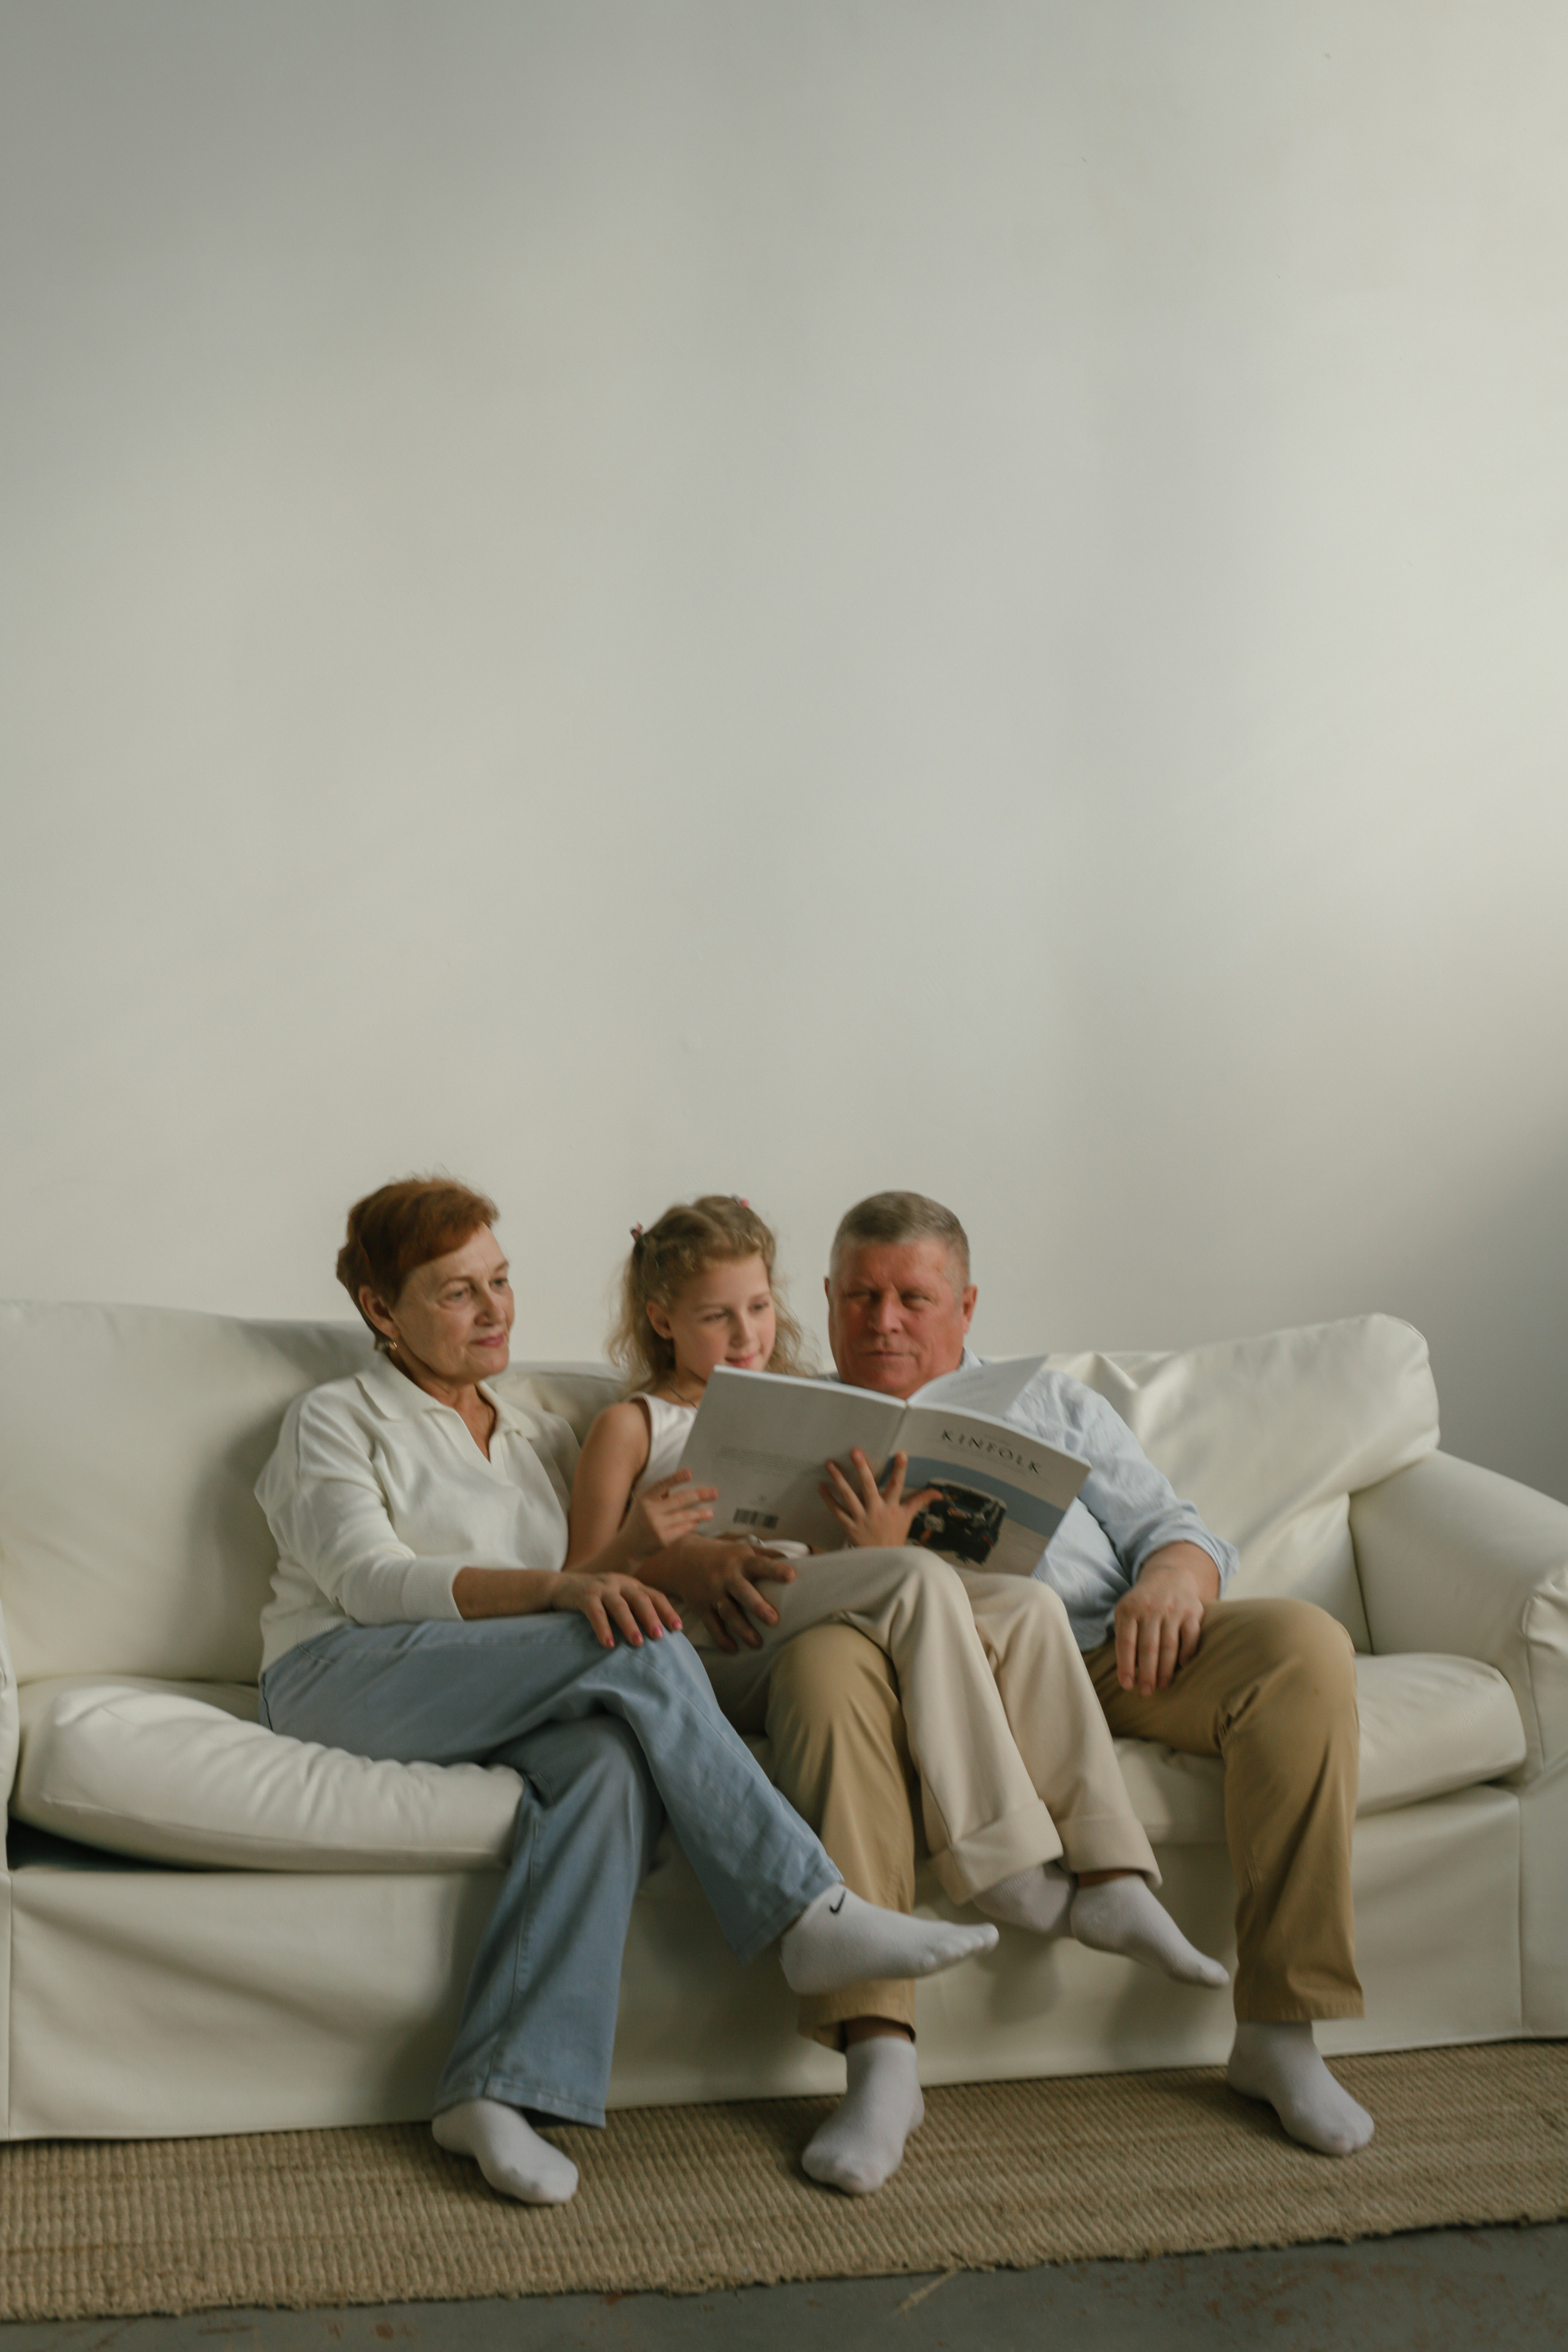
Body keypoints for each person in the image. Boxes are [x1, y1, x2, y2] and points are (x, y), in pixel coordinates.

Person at [253, 1178, 995, 2210]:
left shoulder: (532, 1429)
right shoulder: (332, 1419)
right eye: (456, 1292)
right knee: (632, 1642)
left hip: (494, 1687)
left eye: (501, 1282)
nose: (495, 1310)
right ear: (382, 1310)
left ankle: (494, 2092)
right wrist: (572, 1588)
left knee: (607, 1767)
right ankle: (807, 1908)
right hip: (343, 1672)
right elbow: (372, 1585)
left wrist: (633, 1559)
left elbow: (599, 1561)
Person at [567, 1195, 1228, 2195]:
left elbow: (811, 1554)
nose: (745, 1337)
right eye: (717, 1318)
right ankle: (1003, 1866)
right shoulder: (631, 1422)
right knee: (915, 1580)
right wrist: (666, 1554)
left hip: (804, 1598)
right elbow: (584, 1579)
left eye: (757, 1312)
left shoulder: (792, 1403)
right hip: (712, 1639)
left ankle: (1113, 1875)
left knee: (1024, 1609)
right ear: (664, 1318)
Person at [772, 1188, 1374, 2161]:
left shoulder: (1053, 1401)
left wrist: (1173, 1581)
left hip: (1100, 1657)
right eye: (861, 1297)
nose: (884, 1321)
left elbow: (1177, 1527)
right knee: (823, 1670)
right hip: (903, 1689)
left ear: (967, 1309)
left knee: (1304, 1649)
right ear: (830, 1297)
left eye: (914, 1299)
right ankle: (879, 2060)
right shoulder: (789, 1415)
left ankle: (1279, 2030)